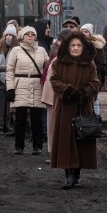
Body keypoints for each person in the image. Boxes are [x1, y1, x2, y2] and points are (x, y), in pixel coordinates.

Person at [50, 31, 100, 189]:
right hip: (66, 107)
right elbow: (54, 81)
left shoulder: (90, 64)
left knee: (81, 140)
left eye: (79, 45)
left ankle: (77, 172)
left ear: (83, 47)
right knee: (66, 140)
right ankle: (68, 174)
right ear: (68, 47)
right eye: (73, 45)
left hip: (82, 107)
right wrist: (69, 91)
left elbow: (95, 83)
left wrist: (85, 93)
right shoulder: (59, 63)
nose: (76, 48)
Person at [6, 26, 49, 155]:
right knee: (20, 119)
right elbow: (10, 70)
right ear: (22, 36)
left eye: (32, 34)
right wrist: (10, 88)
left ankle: (37, 146)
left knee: (37, 119)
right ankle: (19, 146)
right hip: (20, 86)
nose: (30, 36)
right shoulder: (16, 50)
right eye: (27, 34)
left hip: (37, 86)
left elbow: (48, 68)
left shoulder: (42, 51)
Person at [41, 27, 74, 164]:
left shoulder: (55, 53)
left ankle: (55, 152)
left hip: (54, 94)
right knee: (54, 126)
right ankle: (55, 153)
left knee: (54, 126)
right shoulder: (60, 56)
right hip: (55, 94)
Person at [0, 24, 18, 134]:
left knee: (12, 104)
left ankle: (13, 125)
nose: (8, 37)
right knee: (3, 103)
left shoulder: (17, 48)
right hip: (1, 78)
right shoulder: (1, 46)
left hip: (13, 79)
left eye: (11, 35)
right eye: (7, 35)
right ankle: (5, 124)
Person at [79, 23, 106, 115]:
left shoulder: (97, 46)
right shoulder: (77, 45)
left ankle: (95, 119)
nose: (83, 33)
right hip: (81, 77)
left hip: (94, 76)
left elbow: (101, 64)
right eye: (82, 31)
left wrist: (98, 76)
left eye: (86, 32)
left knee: (94, 98)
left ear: (90, 34)